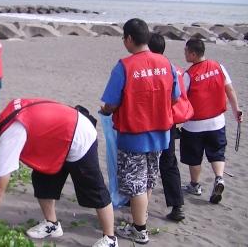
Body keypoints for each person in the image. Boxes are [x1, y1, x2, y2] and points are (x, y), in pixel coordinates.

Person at [0, 98, 118, 247]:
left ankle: (110, 239)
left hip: (79, 135)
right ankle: (52, 225)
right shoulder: (8, 113)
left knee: (94, 189)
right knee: (42, 179)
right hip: (57, 140)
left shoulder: (11, 133)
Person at [100, 18, 180, 244]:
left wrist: (105, 110)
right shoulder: (167, 64)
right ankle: (140, 222)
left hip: (134, 135)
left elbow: (111, 104)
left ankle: (140, 229)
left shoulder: (125, 66)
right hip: (160, 134)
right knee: (148, 180)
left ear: (129, 39)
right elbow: (175, 97)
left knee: (136, 183)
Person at [180, 38, 243, 204]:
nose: (185, 54)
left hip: (194, 125)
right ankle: (219, 178)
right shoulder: (218, 66)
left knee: (194, 157)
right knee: (217, 153)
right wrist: (236, 109)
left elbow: (181, 98)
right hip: (217, 122)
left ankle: (195, 185)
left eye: (186, 51)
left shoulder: (189, 74)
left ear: (193, 54)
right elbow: (229, 89)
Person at [148, 33, 194, 221]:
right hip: (169, 123)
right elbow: (178, 96)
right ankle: (177, 206)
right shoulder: (175, 69)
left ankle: (134, 202)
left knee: (142, 163)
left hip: (149, 123)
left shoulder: (146, 69)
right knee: (168, 163)